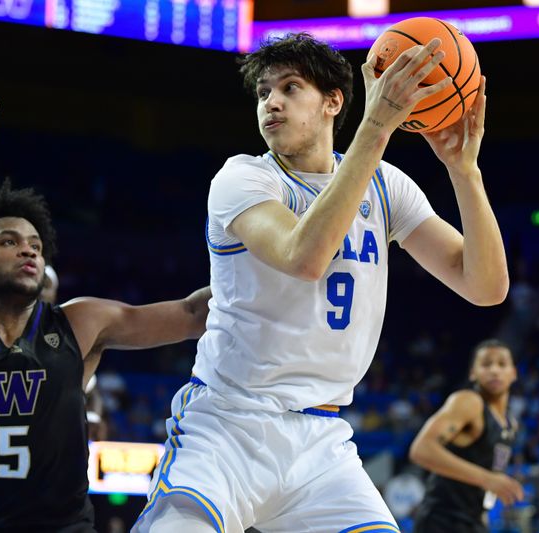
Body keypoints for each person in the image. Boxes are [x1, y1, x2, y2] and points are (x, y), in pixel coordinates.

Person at [134, 33, 508, 533]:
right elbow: (303, 256)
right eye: (264, 92)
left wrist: (465, 172)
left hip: (322, 441)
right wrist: (376, 126)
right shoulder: (243, 178)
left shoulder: (386, 185)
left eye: (290, 88)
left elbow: (485, 287)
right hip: (228, 424)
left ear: (334, 101)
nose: (272, 102)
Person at [0, 63, 211, 532]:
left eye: (36, 245)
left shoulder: (80, 323)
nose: (28, 251)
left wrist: (280, 264)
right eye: (10, 242)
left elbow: (192, 313)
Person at [410, 339, 523, 532]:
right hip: (443, 520)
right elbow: (421, 449)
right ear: (473, 373)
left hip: (473, 521)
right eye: (486, 364)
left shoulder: (510, 423)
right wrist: (488, 479)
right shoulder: (469, 402)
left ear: (513, 373)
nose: (494, 370)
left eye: (502, 364)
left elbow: (489, 472)